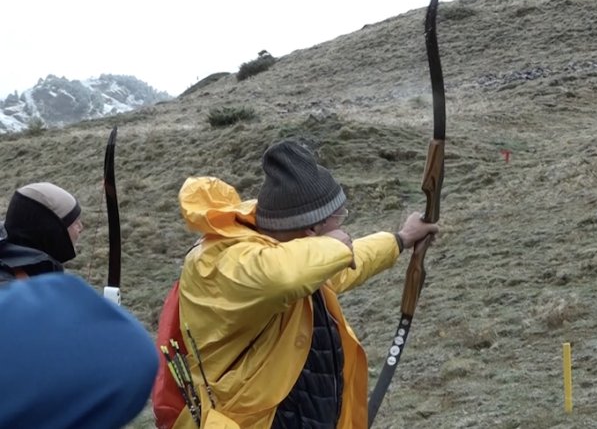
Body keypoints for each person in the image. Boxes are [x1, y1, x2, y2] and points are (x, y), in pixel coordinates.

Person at [170, 140, 439, 429]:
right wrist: (333, 247)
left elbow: (337, 270)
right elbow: (282, 276)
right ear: (312, 228)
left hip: (307, 411)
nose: (343, 228)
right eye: (339, 219)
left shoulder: (296, 254)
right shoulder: (220, 261)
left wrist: (400, 239)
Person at [0, 182, 159, 428]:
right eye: (73, 222)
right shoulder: (8, 287)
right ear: (51, 231)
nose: (81, 228)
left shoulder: (23, 271)